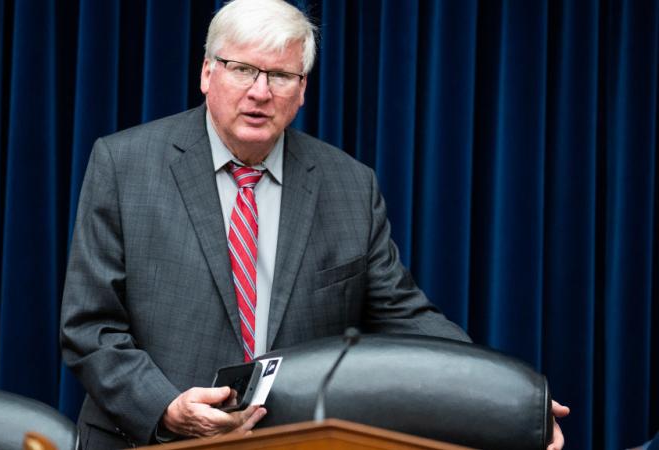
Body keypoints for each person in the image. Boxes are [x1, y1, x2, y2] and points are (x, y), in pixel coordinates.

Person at [60, 0, 567, 448]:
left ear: (301, 91)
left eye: (280, 76)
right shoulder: (124, 165)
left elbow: (406, 317)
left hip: (293, 441)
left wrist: (509, 399)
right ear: (207, 74)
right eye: (242, 69)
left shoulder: (350, 185)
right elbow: (90, 325)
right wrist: (165, 408)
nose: (260, 91)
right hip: (149, 440)